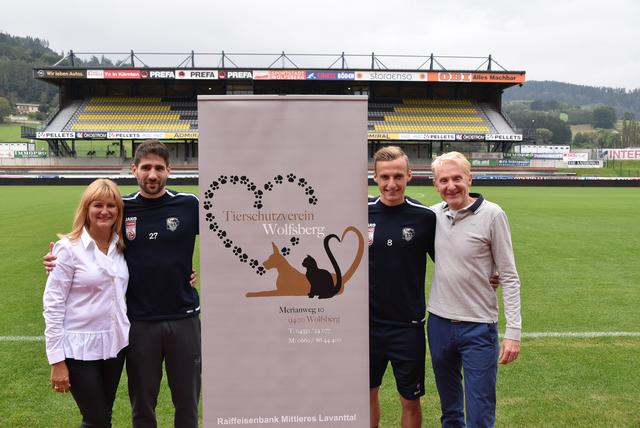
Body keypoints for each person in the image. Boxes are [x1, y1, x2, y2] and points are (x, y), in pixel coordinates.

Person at [45, 140, 200, 428]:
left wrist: (201, 273)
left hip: (184, 317)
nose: (152, 175)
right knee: (141, 404)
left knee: (188, 403)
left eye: (158, 168)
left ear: (169, 170)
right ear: (134, 170)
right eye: (145, 168)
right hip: (139, 323)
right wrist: (56, 262)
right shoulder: (121, 208)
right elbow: (87, 240)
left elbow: (227, 236)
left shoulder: (190, 204)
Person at [427, 151, 522, 427]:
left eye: (457, 178)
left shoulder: (493, 215)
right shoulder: (432, 216)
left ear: (469, 178)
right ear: (435, 185)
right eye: (443, 180)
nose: (451, 186)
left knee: (480, 415)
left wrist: (513, 332)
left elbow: (510, 276)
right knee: (451, 412)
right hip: (439, 325)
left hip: (478, 327)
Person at [43, 178, 129, 427]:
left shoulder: (121, 245)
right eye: (97, 205)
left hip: (115, 344)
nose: (104, 211)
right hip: (79, 348)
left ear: (118, 211)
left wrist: (186, 275)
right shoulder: (67, 249)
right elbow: (53, 305)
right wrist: (57, 361)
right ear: (86, 209)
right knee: (97, 419)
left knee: (102, 416)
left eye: (111, 206)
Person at [368, 146, 436, 428]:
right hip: (366, 326)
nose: (391, 184)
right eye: (385, 177)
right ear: (375, 177)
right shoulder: (360, 212)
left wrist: (487, 275)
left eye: (398, 176)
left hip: (407, 326)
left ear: (410, 176)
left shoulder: (424, 217)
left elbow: (449, 261)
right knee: (366, 393)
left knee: (409, 399)